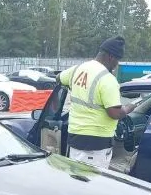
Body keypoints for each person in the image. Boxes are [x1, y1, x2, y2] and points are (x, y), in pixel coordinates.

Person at [57, 36, 135, 169]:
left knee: (77, 177)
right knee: (93, 183)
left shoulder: (77, 69)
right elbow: (114, 113)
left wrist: (73, 87)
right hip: (96, 143)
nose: (116, 65)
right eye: (117, 60)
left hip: (75, 137)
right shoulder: (107, 79)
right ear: (111, 57)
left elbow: (59, 78)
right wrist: (129, 108)